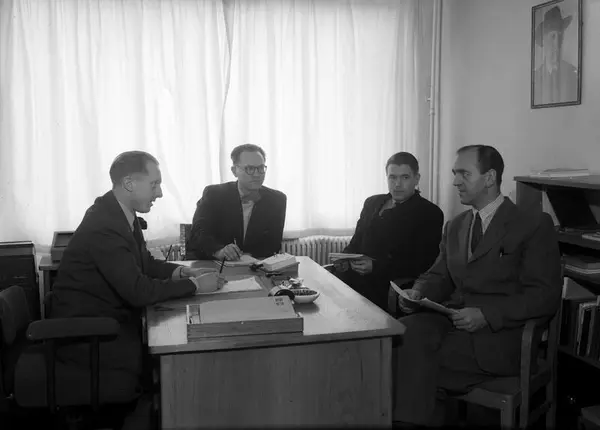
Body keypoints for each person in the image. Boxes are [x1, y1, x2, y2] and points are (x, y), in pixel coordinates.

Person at [49, 151, 225, 426]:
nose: (160, 193)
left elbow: (144, 263)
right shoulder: (105, 225)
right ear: (129, 184)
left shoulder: (119, 213)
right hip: (86, 334)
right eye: (154, 184)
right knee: (168, 353)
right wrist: (194, 286)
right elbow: (138, 291)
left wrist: (183, 272)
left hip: (106, 320)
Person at [393, 145, 562, 427]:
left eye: (464, 174)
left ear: (490, 177)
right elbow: (439, 276)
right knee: (402, 335)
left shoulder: (531, 224)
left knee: (413, 361)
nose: (455, 181)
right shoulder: (456, 225)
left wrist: (487, 314)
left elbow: (544, 295)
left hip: (500, 335)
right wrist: (418, 292)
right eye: (454, 173)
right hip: (454, 322)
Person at [333, 152, 444, 313]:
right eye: (392, 177)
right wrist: (343, 259)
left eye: (405, 177)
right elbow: (355, 242)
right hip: (354, 277)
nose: (397, 184)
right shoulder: (372, 203)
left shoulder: (429, 213)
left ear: (417, 179)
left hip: (387, 285)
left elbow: (423, 264)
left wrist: (375, 267)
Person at [187, 144, 287, 260]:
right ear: (234, 171)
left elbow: (273, 244)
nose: (256, 174)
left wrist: (247, 258)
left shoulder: (277, 199)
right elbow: (198, 233)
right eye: (250, 169)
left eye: (260, 168)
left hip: (255, 265)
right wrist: (219, 251)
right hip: (214, 263)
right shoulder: (214, 194)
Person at [533, 5, 579, 105]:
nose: (557, 43)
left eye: (560, 36)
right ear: (543, 40)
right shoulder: (535, 78)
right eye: (553, 36)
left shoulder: (573, 75)